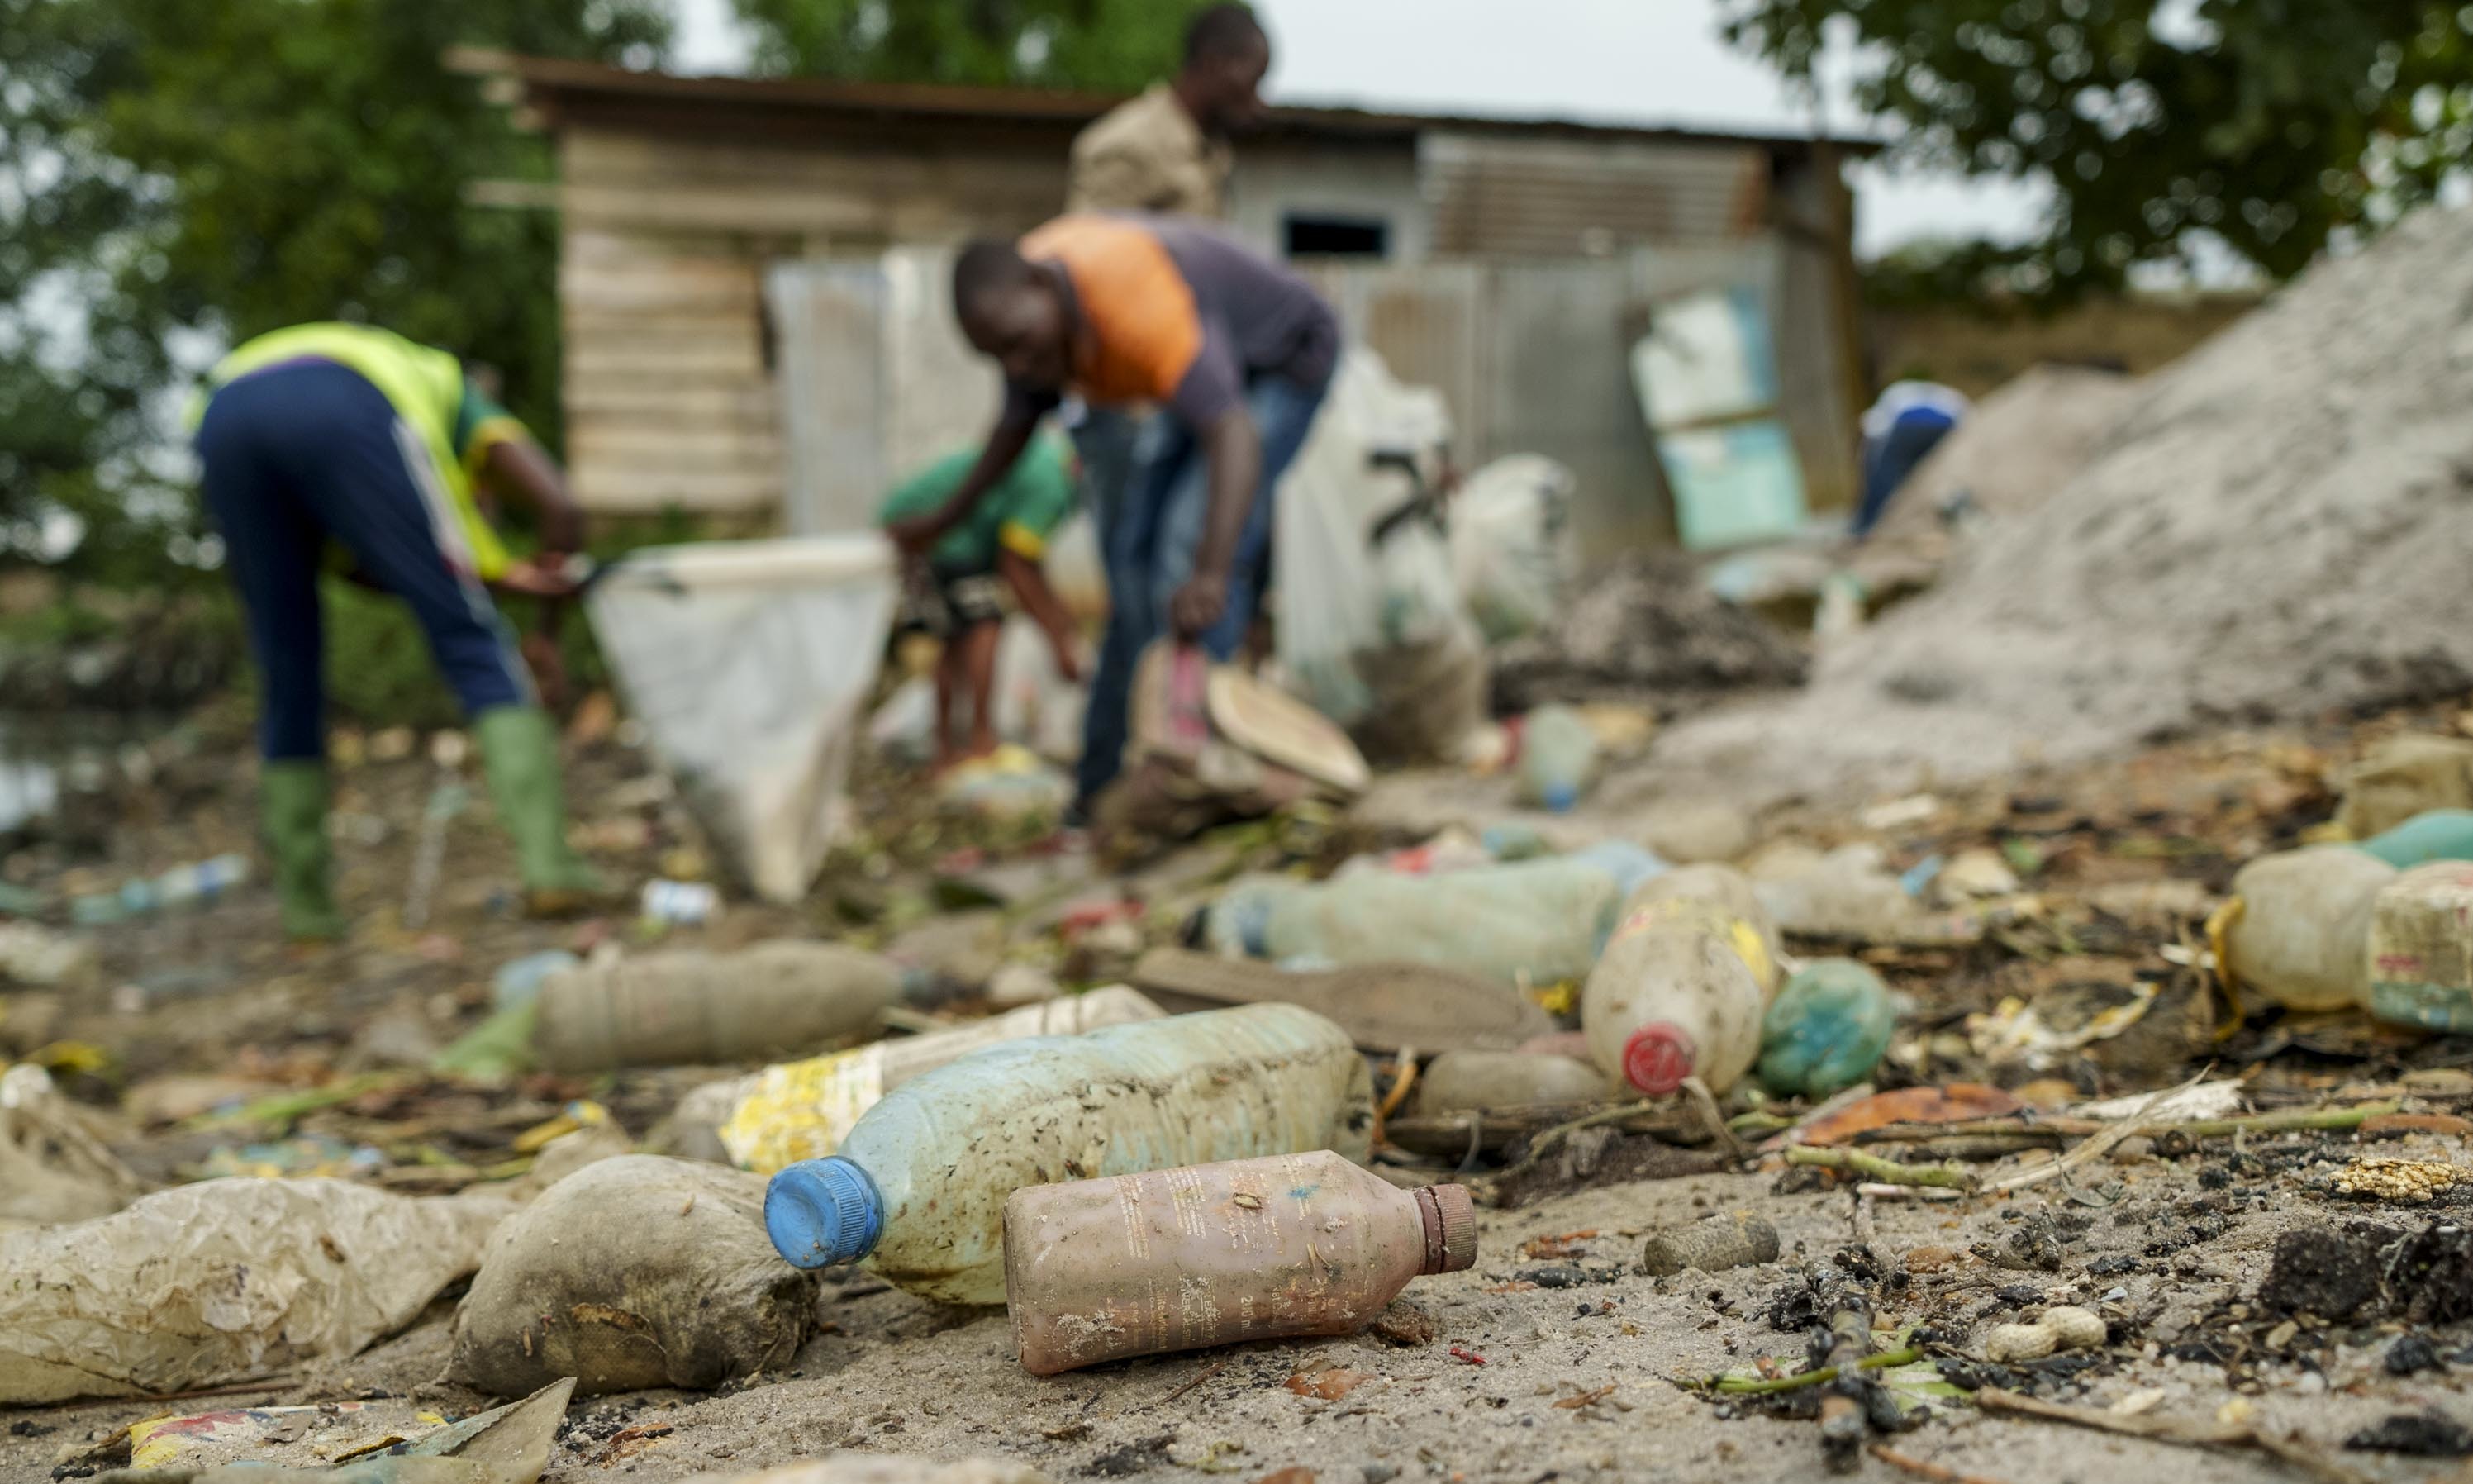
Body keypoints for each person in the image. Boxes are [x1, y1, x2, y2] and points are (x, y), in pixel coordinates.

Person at [892, 215, 1339, 811]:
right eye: (998, 357)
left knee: (1186, 551)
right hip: (1203, 380)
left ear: (1040, 286)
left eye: (1019, 347)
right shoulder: (1024, 323)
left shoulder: (1133, 301)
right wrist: (944, 518)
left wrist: (1210, 571)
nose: (1017, 368)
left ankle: (1187, 776)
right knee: (1128, 568)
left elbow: (1232, 432)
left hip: (1281, 362)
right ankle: (1099, 796)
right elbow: (1013, 427)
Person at [191, 321, 604, 939]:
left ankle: (308, 916)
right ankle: (552, 871)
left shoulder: (316, 371)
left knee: (285, 662)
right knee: (470, 638)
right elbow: (560, 507)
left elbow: (370, 566)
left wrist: (475, 571)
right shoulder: (450, 389)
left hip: (219, 420)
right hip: (347, 401)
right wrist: (543, 636)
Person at [877, 432, 1085, 770]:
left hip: (923, 525)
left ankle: (946, 750)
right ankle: (980, 741)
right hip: (932, 529)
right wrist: (1057, 641)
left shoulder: (1048, 466)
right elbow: (1016, 564)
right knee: (984, 625)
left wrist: (1058, 622)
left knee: (955, 635)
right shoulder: (1054, 483)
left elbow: (1028, 560)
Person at [1065, 3, 1270, 219]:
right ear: (1214, 64)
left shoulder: (1212, 150)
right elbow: (1090, 249)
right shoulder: (1128, 146)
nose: (1259, 105)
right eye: (1254, 80)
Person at [1852, 378, 1971, 539]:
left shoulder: (1893, 394)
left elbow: (1876, 435)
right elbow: (1968, 419)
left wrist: (1870, 468)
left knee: (1885, 473)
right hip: (1945, 427)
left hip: (1908, 425)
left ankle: (1867, 526)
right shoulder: (1947, 394)